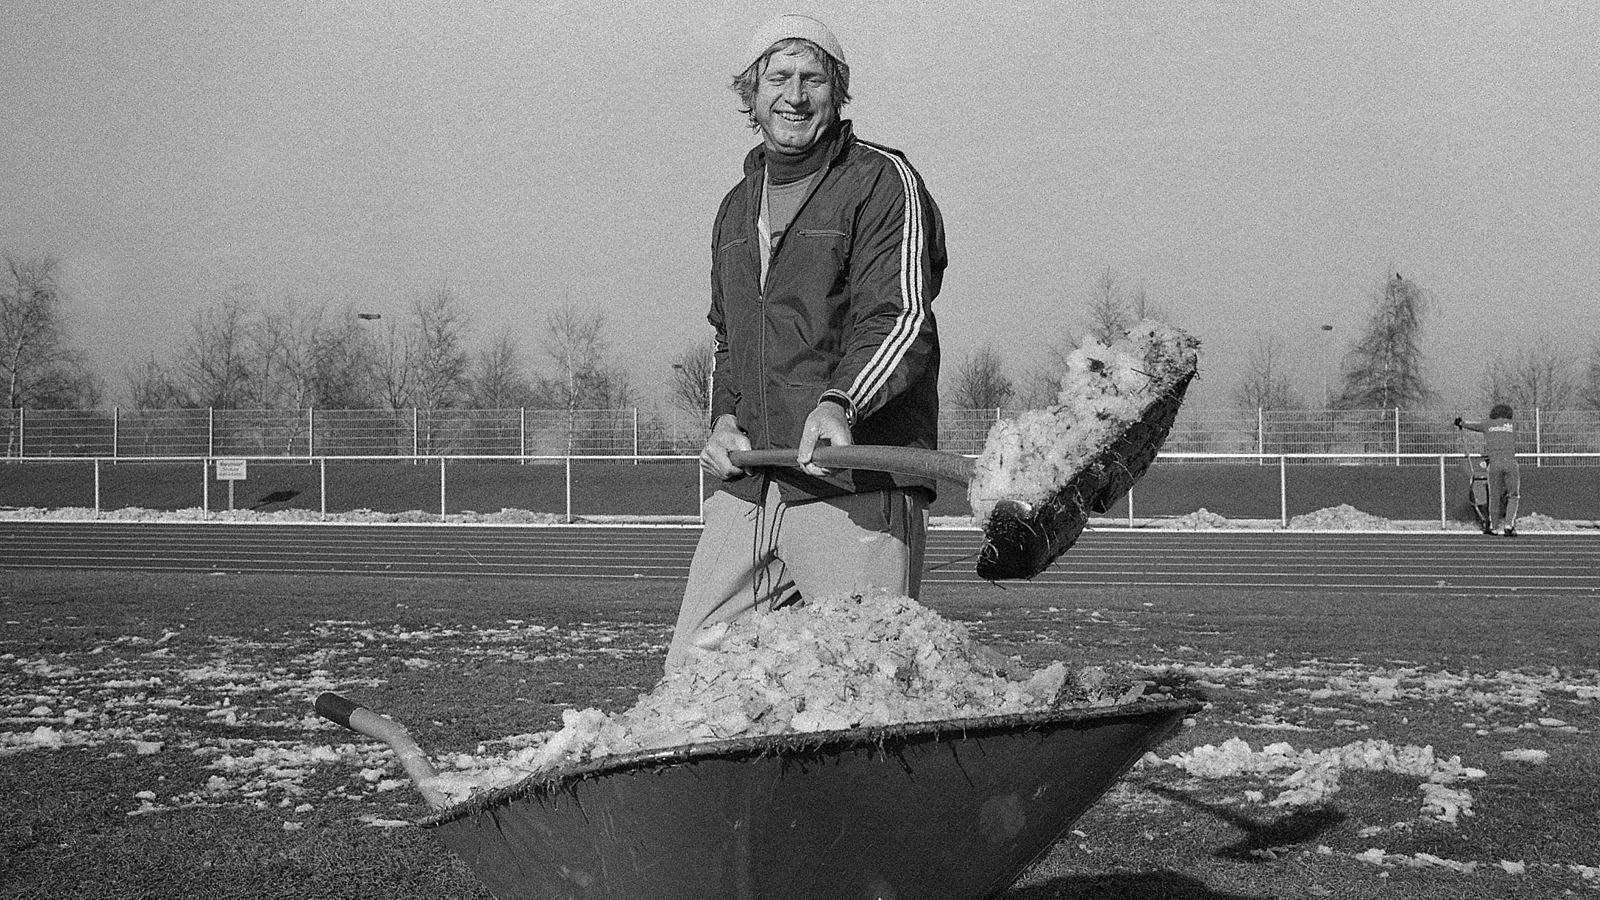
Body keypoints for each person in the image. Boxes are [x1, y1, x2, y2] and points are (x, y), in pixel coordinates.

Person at [665, 14, 947, 671]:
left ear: (836, 91)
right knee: (696, 681)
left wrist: (838, 404)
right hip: (753, 484)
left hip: (853, 485)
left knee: (867, 692)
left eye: (813, 77)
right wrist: (724, 420)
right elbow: (729, 338)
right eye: (779, 77)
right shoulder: (735, 208)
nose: (795, 94)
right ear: (751, 92)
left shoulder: (881, 182)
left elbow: (900, 317)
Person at [1455, 404, 1520, 536]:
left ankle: (1493, 526)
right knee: (1513, 495)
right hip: (1510, 463)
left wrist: (1462, 423)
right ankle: (1508, 525)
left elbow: (1473, 426)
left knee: (1494, 496)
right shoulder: (1513, 425)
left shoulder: (1488, 425)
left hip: (1494, 464)